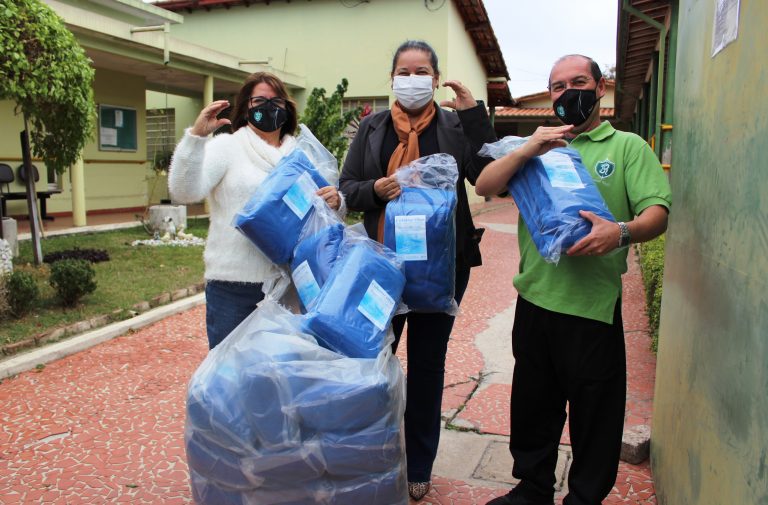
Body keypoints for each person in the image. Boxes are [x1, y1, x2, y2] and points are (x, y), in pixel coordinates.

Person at [475, 54, 672, 505]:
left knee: (595, 414)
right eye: (558, 86)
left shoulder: (626, 147)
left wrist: (619, 232)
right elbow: (487, 184)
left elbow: (657, 214)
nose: (568, 93)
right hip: (536, 300)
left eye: (577, 82)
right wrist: (528, 148)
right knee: (533, 406)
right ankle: (532, 487)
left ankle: (584, 496)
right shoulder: (539, 148)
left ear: (599, 88)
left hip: (591, 306)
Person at [339, 40, 496, 501]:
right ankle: (371, 452)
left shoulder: (453, 125)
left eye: (422, 70)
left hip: (441, 270)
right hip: (380, 266)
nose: (412, 78)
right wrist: (375, 189)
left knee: (427, 367)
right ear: (392, 78)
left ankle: (418, 464)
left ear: (435, 76)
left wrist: (474, 115)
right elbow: (347, 188)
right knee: (372, 359)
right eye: (404, 71)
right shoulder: (372, 128)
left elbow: (487, 172)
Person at [169, 72, 342, 350]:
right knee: (230, 380)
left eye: (276, 101)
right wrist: (196, 138)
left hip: (290, 286)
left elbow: (324, 219)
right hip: (233, 287)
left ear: (287, 107)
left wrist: (336, 201)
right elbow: (184, 192)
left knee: (280, 381)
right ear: (246, 106)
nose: (268, 107)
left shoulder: (302, 155)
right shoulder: (227, 147)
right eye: (259, 100)